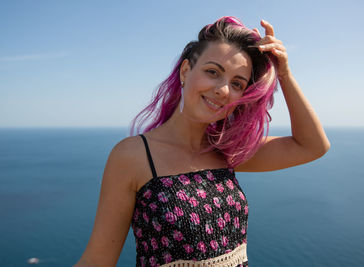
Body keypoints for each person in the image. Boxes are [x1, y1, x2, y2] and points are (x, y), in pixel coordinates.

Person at [74, 16, 330, 267]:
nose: (223, 90)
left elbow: (312, 146)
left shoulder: (226, 150)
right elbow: (97, 261)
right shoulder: (132, 156)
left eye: (237, 83)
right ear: (186, 70)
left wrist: (284, 74)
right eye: (212, 72)